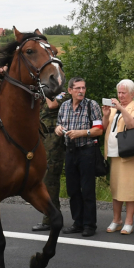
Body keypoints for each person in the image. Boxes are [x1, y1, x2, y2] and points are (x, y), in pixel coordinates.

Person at [56, 77, 104, 237]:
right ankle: (78, 222)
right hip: (70, 151)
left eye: (83, 88)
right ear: (70, 90)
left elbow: (98, 130)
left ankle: (90, 225)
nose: (81, 91)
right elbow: (59, 124)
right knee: (73, 189)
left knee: (87, 189)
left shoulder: (92, 105)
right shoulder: (64, 106)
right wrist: (58, 129)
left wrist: (81, 133)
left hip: (87, 151)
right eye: (77, 88)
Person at [102, 80, 134, 234]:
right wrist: (106, 115)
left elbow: (132, 125)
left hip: (129, 155)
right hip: (114, 154)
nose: (120, 96)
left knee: (129, 188)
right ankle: (116, 219)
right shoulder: (114, 110)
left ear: (132, 94)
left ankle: (129, 221)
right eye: (119, 93)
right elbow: (105, 128)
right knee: (116, 188)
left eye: (124, 93)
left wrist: (121, 108)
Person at [34, 89, 68, 232]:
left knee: (50, 179)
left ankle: (50, 218)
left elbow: (53, 105)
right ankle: (53, 216)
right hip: (41, 139)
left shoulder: (61, 94)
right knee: (43, 179)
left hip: (53, 140)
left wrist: (45, 90)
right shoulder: (39, 94)